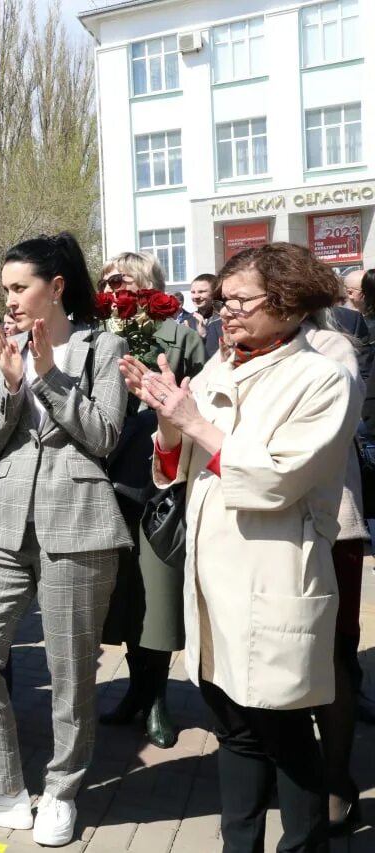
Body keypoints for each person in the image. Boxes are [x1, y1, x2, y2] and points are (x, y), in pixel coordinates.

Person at [120, 242, 359, 853]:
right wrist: (169, 420)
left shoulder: (322, 377)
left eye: (241, 301)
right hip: (213, 577)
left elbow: (277, 480)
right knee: (234, 730)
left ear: (288, 301)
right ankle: (239, 844)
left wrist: (195, 420)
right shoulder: (221, 366)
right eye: (224, 301)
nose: (226, 313)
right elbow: (174, 471)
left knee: (283, 733)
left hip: (271, 570)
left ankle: (304, 844)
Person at [0, 233, 130, 847]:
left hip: (78, 518)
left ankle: (62, 790)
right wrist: (14, 380)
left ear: (56, 288)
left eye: (19, 288)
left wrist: (48, 375)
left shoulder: (102, 346)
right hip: (5, 520)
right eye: (4, 290)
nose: (10, 301)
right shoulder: (6, 349)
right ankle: (2, 792)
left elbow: (103, 436)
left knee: (71, 670)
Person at [96, 252, 205, 750]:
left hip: (160, 486)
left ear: (145, 283)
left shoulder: (179, 336)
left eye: (119, 277)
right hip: (104, 484)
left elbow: (201, 400)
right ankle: (136, 692)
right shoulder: (95, 333)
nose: (110, 284)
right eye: (105, 279)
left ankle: (157, 699)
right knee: (120, 599)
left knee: (156, 598)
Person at [299, 316, 366, 833]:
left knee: (335, 659)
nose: (230, 312)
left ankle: (339, 779)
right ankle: (292, 772)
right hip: (260, 531)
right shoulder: (233, 349)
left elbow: (329, 428)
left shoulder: (330, 347)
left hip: (330, 526)